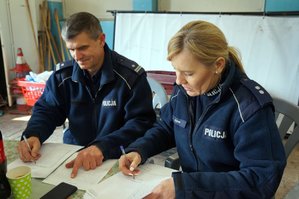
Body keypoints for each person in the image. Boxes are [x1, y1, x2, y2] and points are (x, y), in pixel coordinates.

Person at [119, 20, 286, 199]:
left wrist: (186, 187)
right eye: (175, 70)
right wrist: (140, 149)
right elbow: (167, 128)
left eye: (189, 73)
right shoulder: (184, 91)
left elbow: (260, 180)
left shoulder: (249, 107)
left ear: (218, 65)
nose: (178, 81)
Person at [17, 12, 156, 178]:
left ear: (101, 39)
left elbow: (141, 124)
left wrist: (102, 147)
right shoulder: (62, 76)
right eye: (71, 49)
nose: (77, 56)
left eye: (83, 48)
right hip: (75, 155)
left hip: (118, 157)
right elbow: (47, 110)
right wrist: (34, 133)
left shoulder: (130, 77)